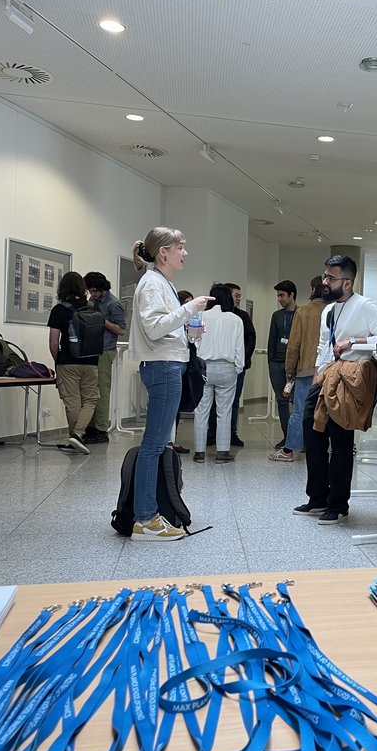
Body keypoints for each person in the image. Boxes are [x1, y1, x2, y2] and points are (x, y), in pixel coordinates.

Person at [128, 227, 209, 541]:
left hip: (167, 365)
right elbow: (154, 328)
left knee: (158, 444)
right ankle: (145, 519)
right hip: (162, 368)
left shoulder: (162, 283)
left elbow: (163, 327)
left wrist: (188, 331)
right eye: (180, 247)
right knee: (154, 446)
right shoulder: (152, 284)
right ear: (164, 252)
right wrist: (190, 308)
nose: (185, 253)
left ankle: (148, 515)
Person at [292, 255, 377, 524]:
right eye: (324, 277)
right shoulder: (328, 310)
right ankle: (318, 497)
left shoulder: (365, 306)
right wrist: (317, 375)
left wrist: (353, 342)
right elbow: (324, 345)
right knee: (311, 429)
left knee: (341, 439)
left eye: (330, 278)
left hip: (350, 377)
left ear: (347, 282)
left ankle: (339, 503)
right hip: (327, 376)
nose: (324, 282)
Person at [271, 275, 326, 462]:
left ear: (313, 290)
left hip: (306, 369)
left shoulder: (304, 311)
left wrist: (289, 370)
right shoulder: (335, 310)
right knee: (329, 410)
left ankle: (289, 451)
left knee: (300, 410)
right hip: (330, 370)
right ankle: (325, 449)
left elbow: (293, 345)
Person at [47, 272, 99, 455]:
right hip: (91, 361)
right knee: (90, 399)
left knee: (72, 401)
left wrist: (59, 361)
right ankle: (78, 436)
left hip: (67, 361)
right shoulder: (93, 308)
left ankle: (76, 435)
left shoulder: (59, 310)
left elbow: (54, 342)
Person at [193, 284, 244, 464]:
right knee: (224, 412)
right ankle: (222, 453)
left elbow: (194, 342)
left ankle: (199, 452)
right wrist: (238, 368)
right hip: (227, 369)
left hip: (204, 367)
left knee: (201, 411)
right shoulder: (236, 319)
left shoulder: (201, 316)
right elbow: (240, 348)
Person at [208, 282, 256, 446]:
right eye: (235, 296)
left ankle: (231, 433)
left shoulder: (242, 317)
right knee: (211, 403)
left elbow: (250, 339)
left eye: (239, 297)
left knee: (233, 402)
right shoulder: (214, 316)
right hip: (216, 364)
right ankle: (211, 433)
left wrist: (240, 362)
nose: (238, 300)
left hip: (237, 365)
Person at [82, 271, 125, 444]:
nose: (92, 295)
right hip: (90, 349)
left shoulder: (114, 304)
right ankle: (90, 427)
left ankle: (101, 429)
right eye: (90, 291)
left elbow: (121, 330)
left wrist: (102, 320)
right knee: (90, 390)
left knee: (102, 391)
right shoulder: (93, 301)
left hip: (105, 350)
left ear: (102, 288)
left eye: (95, 291)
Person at [267, 280, 297, 449]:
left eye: (282, 295)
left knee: (297, 402)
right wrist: (270, 362)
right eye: (278, 295)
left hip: (295, 365)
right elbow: (272, 340)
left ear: (291, 295)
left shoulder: (301, 314)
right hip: (277, 364)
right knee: (282, 401)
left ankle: (296, 437)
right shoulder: (277, 316)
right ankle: (286, 436)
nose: (279, 298)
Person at [171, 289, 195, 454]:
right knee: (171, 406)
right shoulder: (175, 321)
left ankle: (173, 439)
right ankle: (168, 441)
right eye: (187, 303)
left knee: (177, 406)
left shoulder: (192, 321)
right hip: (174, 364)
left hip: (186, 365)